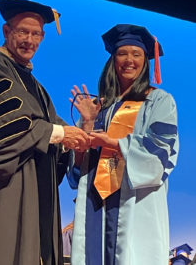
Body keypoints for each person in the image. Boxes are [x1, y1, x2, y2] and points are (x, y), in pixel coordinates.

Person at [0, 0, 89, 265]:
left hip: (36, 199)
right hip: (5, 195)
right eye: (23, 32)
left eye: (37, 34)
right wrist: (61, 135)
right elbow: (2, 129)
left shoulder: (36, 87)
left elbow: (55, 129)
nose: (30, 40)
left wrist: (84, 127)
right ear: (7, 32)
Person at [67, 24, 179, 265]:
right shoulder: (98, 107)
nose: (129, 60)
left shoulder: (159, 101)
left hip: (135, 204)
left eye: (136, 54)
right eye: (122, 53)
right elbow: (77, 176)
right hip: (96, 207)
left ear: (145, 61)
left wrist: (115, 142)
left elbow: (160, 155)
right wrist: (86, 126)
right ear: (113, 60)